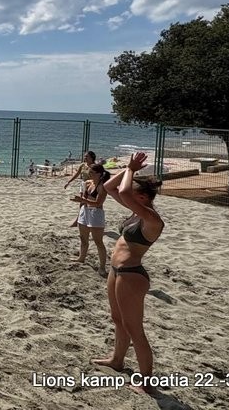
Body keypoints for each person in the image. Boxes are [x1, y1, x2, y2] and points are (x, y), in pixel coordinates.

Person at [92, 152, 164, 394]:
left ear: (141, 197)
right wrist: (128, 169)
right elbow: (110, 188)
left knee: (135, 329)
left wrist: (132, 170)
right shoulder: (137, 211)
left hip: (132, 275)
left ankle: (147, 383)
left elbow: (123, 192)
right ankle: (117, 360)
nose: (128, 197)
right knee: (117, 319)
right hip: (117, 271)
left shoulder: (152, 219)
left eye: (134, 194)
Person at [70, 163, 111, 275]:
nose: (89, 174)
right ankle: (81, 258)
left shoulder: (102, 186)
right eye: (89, 172)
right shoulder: (88, 183)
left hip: (96, 213)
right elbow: (84, 197)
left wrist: (83, 200)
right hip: (85, 211)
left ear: (99, 174)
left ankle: (102, 267)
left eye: (92, 172)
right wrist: (80, 199)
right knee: (83, 238)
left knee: (98, 242)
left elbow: (98, 203)